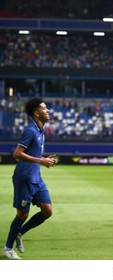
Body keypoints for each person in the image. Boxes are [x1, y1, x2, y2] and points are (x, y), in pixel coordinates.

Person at [2, 98, 57, 260]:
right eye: (44, 108)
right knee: (22, 214)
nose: (48, 111)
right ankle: (7, 248)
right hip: (24, 178)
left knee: (47, 211)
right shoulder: (30, 130)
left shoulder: (41, 130)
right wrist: (41, 160)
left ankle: (20, 232)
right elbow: (17, 154)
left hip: (36, 177)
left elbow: (32, 153)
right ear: (36, 113)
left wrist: (44, 159)